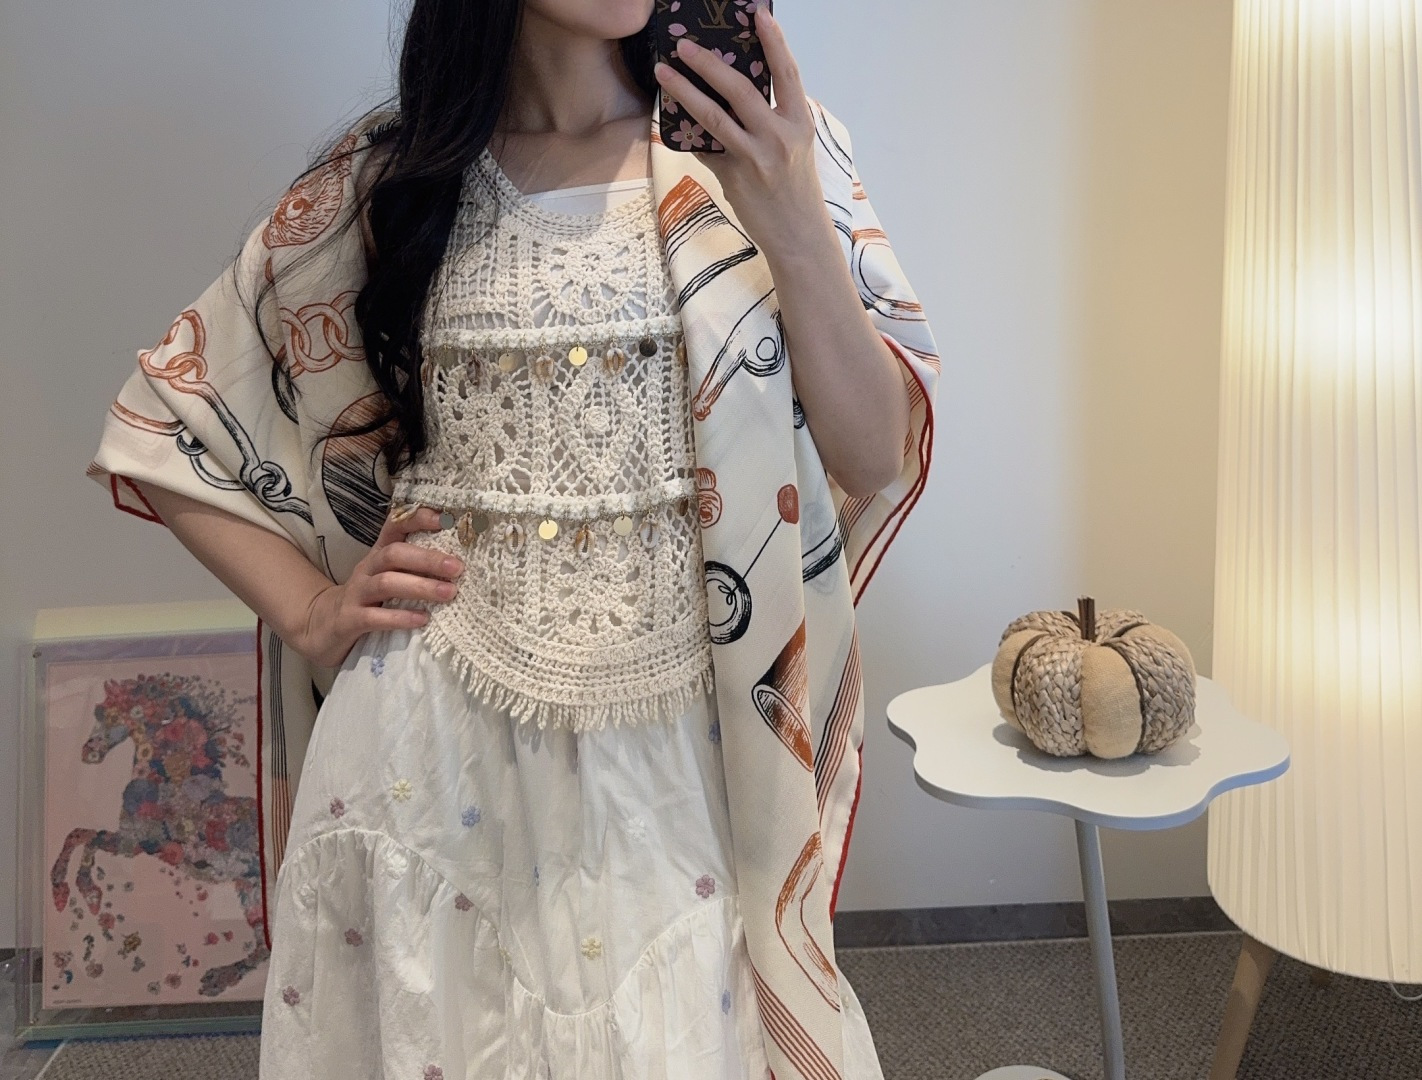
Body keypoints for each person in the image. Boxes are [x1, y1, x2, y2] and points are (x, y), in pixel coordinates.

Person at [86, 1, 940, 1076]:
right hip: (429, 759)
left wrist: (793, 215)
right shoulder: (392, 184)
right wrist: (312, 612)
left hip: (680, 759)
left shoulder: (759, 146)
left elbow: (874, 453)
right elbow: (167, 419)